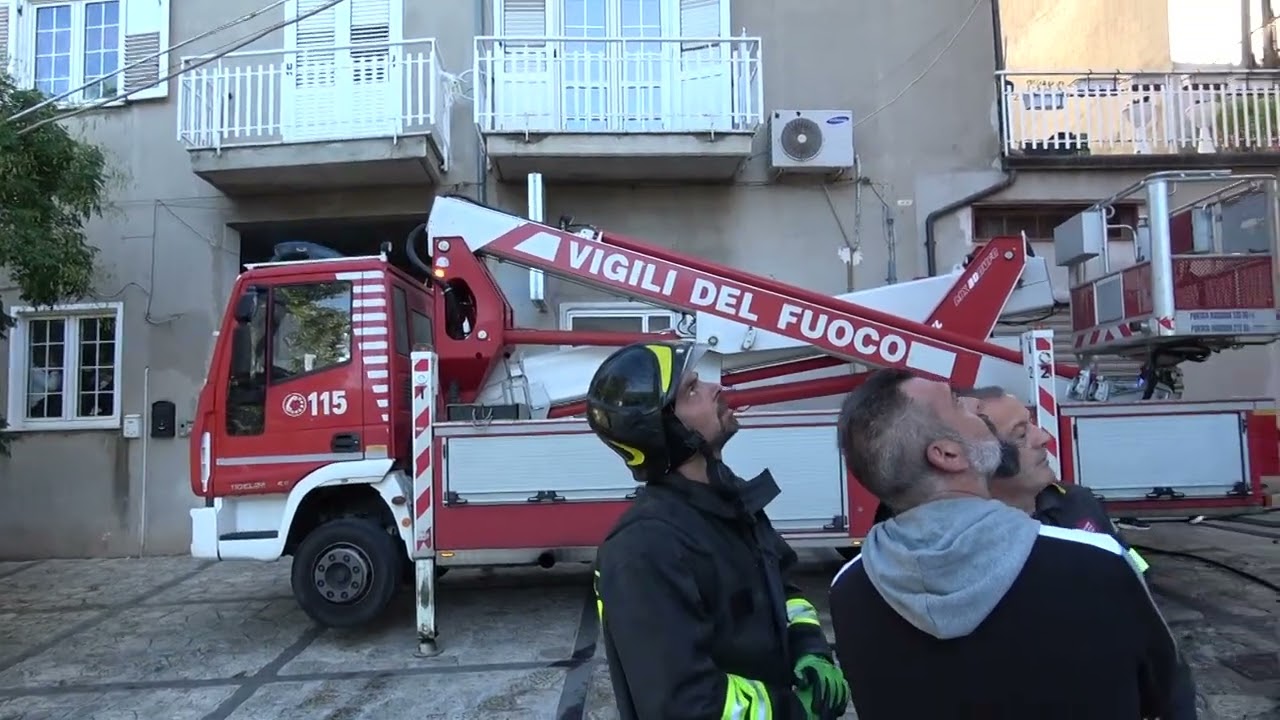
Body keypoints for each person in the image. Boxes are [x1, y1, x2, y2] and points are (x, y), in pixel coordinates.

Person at [829, 368, 1183, 720]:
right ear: (948, 454)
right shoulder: (1095, 561)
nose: (972, 404)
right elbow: (1168, 695)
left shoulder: (849, 590)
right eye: (957, 402)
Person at [587, 340, 850, 720]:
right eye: (692, 389)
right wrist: (794, 710)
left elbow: (784, 590)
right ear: (666, 430)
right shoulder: (644, 548)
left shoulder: (730, 500)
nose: (716, 388)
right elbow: (684, 705)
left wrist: (809, 646)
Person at [871, 385, 1151, 574]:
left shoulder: (1077, 501)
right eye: (1020, 434)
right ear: (983, 458)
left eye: (1031, 424)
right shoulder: (951, 547)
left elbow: (1135, 571)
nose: (1044, 438)